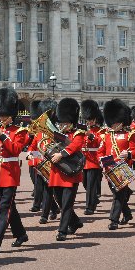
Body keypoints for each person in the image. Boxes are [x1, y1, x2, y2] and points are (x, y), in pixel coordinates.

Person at [0, 87, 30, 254]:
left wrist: (3, 137)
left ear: (12, 114)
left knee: (4, 209)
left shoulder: (20, 131)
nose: (1, 118)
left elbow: (16, 150)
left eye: (4, 115)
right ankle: (21, 234)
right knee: (10, 208)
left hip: (10, 173)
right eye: (0, 115)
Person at [98, 99, 135, 230]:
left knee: (117, 195)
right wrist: (103, 162)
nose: (114, 124)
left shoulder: (129, 134)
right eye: (113, 122)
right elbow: (101, 151)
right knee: (119, 193)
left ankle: (113, 220)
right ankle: (127, 214)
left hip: (122, 168)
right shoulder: (106, 135)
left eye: (117, 122)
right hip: (109, 168)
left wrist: (128, 154)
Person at [49, 98, 85, 241]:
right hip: (57, 172)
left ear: (71, 121)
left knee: (67, 203)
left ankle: (62, 231)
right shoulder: (56, 134)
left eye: (65, 122)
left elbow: (75, 146)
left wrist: (61, 153)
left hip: (71, 173)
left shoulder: (78, 133)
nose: (63, 125)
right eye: (61, 122)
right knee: (60, 201)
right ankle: (75, 222)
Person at [80, 99, 104, 215]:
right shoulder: (83, 130)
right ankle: (94, 198)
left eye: (91, 119)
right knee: (85, 183)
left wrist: (90, 136)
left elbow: (100, 142)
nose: (89, 122)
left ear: (95, 119)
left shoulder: (100, 131)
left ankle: (89, 207)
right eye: (88, 120)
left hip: (94, 160)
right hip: (84, 160)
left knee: (90, 185)